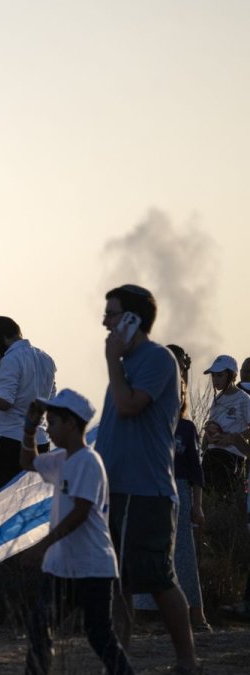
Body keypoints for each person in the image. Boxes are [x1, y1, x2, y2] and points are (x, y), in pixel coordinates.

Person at [95, 284, 197, 673]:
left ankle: (187, 661)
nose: (104, 321)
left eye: (112, 313)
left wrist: (110, 361)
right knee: (117, 581)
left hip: (147, 490)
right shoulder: (123, 365)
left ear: (133, 319)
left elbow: (129, 405)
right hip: (117, 489)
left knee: (157, 578)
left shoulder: (156, 360)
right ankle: (118, 660)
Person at [19, 391, 134, 675]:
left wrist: (43, 545)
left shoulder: (88, 462)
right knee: (39, 628)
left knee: (99, 635)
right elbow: (27, 462)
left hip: (92, 565)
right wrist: (29, 428)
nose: (49, 428)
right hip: (62, 565)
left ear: (71, 424)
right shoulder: (61, 459)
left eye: (53, 422)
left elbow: (81, 511)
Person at [134, 344, 210, 631]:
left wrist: (198, 504)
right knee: (151, 552)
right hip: (151, 491)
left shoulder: (186, 429)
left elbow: (195, 470)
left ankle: (196, 614)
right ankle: (146, 614)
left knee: (184, 556)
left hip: (179, 492)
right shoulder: (145, 423)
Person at [0, 316, 56, 505]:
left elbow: (5, 403)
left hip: (9, 439)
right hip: (40, 439)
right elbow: (52, 399)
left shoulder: (11, 360)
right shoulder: (45, 358)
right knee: (31, 502)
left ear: (1, 338)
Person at [200, 354, 250, 501]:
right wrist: (208, 436)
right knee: (207, 500)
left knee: (223, 500)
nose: (215, 380)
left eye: (220, 375)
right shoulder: (216, 400)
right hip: (211, 455)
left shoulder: (243, 399)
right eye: (214, 376)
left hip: (231, 458)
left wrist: (232, 438)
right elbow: (212, 425)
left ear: (232, 375)